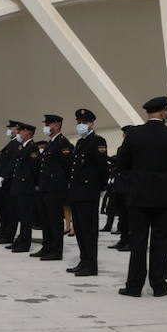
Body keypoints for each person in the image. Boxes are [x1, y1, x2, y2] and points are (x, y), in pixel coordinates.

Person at [118, 97, 167, 297]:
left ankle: (134, 286)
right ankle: (159, 285)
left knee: (138, 241)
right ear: (163, 111)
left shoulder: (133, 134)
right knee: (161, 241)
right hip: (164, 197)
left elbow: (122, 164)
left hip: (138, 196)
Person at [66, 108, 109, 275]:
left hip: (89, 193)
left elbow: (103, 168)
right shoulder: (80, 142)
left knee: (89, 231)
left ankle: (91, 265)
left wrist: (101, 188)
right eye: (78, 123)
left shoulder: (98, 141)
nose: (81, 125)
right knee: (80, 230)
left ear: (92, 124)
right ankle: (84, 261)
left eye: (84, 122)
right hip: (77, 193)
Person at [33, 116, 73, 260]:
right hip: (45, 188)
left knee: (55, 221)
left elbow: (68, 167)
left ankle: (56, 250)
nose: (46, 127)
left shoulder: (63, 143)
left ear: (57, 125)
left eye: (48, 124)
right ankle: (47, 246)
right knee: (45, 219)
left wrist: (64, 186)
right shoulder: (52, 143)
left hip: (55, 189)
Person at [0, 122, 23, 243]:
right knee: (3, 210)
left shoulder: (18, 144)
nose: (9, 130)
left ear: (17, 129)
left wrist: (3, 176)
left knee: (10, 211)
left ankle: (8, 235)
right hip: (2, 183)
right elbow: (2, 163)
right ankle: (2, 232)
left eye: (11, 128)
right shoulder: (12, 143)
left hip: (9, 183)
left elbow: (12, 163)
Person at [7, 123, 41, 253]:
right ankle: (20, 239)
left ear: (28, 133)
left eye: (21, 131)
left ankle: (25, 243)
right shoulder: (23, 147)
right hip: (20, 187)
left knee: (26, 218)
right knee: (21, 215)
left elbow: (34, 170)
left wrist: (33, 186)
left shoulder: (32, 148)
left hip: (27, 188)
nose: (19, 133)